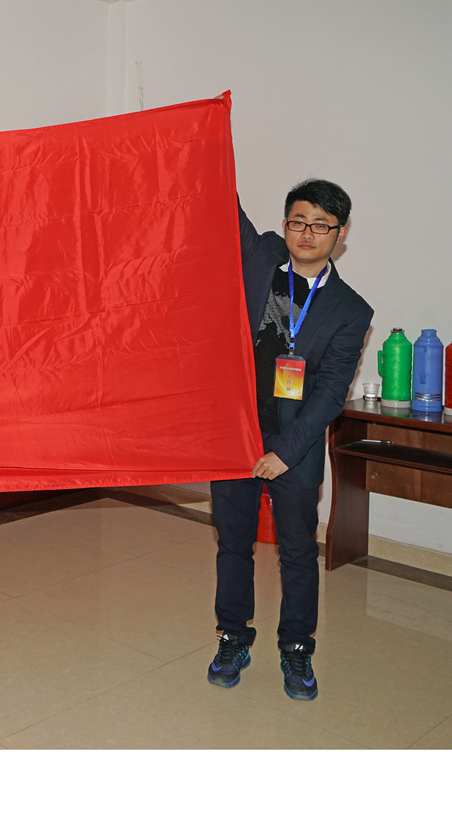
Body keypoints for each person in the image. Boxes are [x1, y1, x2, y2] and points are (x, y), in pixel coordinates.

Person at [206, 179, 372, 700]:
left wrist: (285, 452)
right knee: (233, 543)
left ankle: (297, 647)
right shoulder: (261, 257)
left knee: (298, 551)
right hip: (236, 432)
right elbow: (219, 200)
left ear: (340, 234)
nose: (307, 233)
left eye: (321, 225)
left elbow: (330, 393)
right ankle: (233, 636)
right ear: (284, 224)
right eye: (298, 221)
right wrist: (204, 141)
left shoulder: (350, 310)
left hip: (294, 444)